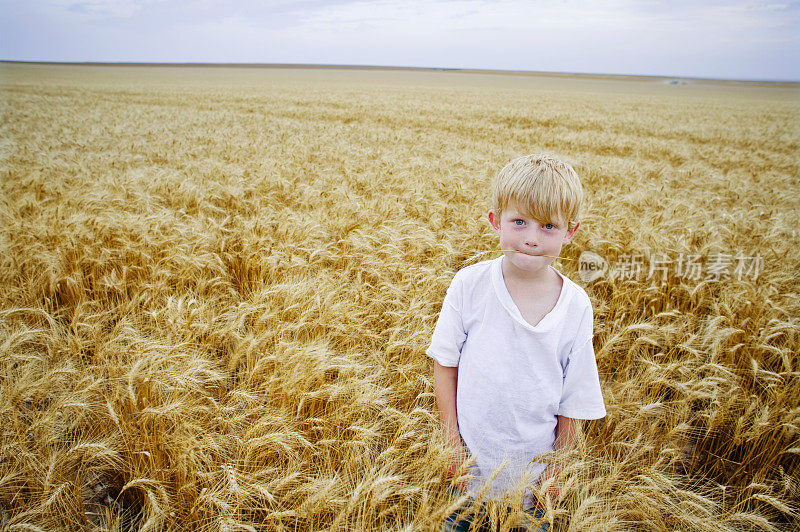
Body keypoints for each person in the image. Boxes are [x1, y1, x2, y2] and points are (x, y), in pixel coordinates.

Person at [427, 154, 606, 531]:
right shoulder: (469, 285)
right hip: (468, 474)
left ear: (570, 231)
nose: (531, 238)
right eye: (519, 221)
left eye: (548, 226)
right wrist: (451, 445)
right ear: (495, 221)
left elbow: (574, 396)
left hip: (534, 486)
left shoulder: (575, 306)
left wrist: (558, 468)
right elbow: (445, 364)